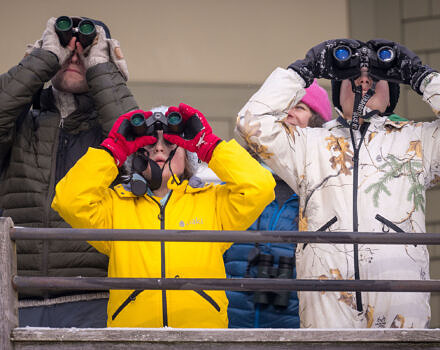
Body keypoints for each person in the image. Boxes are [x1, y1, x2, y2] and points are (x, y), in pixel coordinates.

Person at [236, 38, 440, 328]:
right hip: (325, 292)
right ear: (336, 91)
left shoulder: (416, 141)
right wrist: (303, 71)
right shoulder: (308, 145)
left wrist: (421, 76)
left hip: (399, 290)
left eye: (376, 78)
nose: (364, 83)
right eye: (352, 77)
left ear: (393, 89)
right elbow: (250, 122)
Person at [51, 103, 275, 328]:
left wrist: (209, 146)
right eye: (149, 143)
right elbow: (69, 200)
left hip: (201, 334)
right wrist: (113, 149)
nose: (159, 149)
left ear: (188, 156)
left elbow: (260, 187)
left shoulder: (213, 202)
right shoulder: (115, 206)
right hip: (133, 337)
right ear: (136, 154)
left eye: (170, 143)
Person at [0, 16, 136, 327]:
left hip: (94, 298)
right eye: (64, 48)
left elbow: (140, 152)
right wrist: (43, 59)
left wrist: (103, 68)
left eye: (85, 52)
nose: (74, 56)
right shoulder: (20, 120)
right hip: (17, 297)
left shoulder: (109, 128)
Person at [224, 80, 332, 328]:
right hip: (231, 322)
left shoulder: (325, 190)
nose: (290, 113)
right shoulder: (240, 178)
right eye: (286, 106)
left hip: (296, 325)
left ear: (317, 123)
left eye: (301, 107)